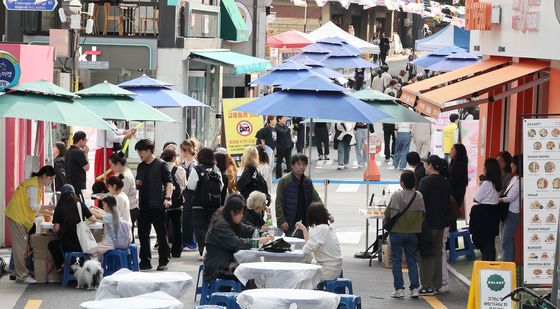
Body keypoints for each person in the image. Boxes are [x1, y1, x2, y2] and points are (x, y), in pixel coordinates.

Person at [203, 194, 273, 281]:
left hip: (226, 262)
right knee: (252, 273)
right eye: (240, 213)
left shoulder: (230, 220)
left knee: (255, 271)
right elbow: (236, 243)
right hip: (218, 267)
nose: (242, 215)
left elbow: (247, 229)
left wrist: (261, 233)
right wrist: (257, 242)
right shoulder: (221, 226)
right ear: (232, 212)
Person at [5, 166, 56, 283]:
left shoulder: (35, 184)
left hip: (19, 217)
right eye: (50, 178)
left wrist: (50, 211)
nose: (51, 181)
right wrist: (48, 207)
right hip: (17, 217)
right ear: (44, 176)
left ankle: (20, 272)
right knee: (20, 248)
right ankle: (21, 275)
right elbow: (33, 206)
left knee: (21, 248)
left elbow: (35, 208)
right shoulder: (33, 186)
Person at [384, 171, 425, 298]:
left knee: (396, 260)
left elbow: (387, 213)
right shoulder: (418, 196)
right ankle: (414, 289)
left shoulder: (396, 195)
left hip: (397, 232)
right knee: (412, 260)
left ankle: (399, 289)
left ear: (402, 182)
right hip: (413, 232)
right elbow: (423, 215)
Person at [134, 139, 173, 271]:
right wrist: (137, 184)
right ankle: (145, 261)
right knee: (143, 234)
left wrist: (168, 198)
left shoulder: (161, 165)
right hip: (143, 205)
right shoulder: (140, 166)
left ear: (149, 151)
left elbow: (169, 183)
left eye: (141, 151)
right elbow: (138, 183)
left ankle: (163, 261)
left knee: (161, 234)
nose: (139, 154)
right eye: (138, 152)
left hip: (158, 204)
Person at [417, 156, 451, 296]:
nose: (425, 167)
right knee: (438, 253)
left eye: (426, 164)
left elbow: (421, 202)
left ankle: (427, 285)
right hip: (441, 223)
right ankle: (437, 284)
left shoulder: (425, 182)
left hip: (428, 223)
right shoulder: (445, 182)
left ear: (430, 166)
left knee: (425, 254)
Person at [187, 147, 224, 260]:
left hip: (199, 204)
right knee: (211, 228)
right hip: (214, 204)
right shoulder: (216, 169)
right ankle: (212, 251)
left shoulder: (197, 169)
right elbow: (221, 186)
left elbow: (190, 186)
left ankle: (202, 252)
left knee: (200, 228)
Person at [48, 184, 95, 271]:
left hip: (66, 245)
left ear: (61, 196)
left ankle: (62, 266)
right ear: (74, 194)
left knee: (52, 245)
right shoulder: (80, 204)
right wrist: (83, 222)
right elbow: (93, 219)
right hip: (82, 244)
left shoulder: (59, 207)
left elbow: (57, 228)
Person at [276, 154, 322, 238]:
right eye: (298, 164)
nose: (301, 167)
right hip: (289, 222)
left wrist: (326, 214)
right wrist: (281, 220)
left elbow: (316, 198)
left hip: (304, 221)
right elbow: (279, 202)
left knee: (303, 245)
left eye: (304, 164)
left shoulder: (307, 181)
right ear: (292, 166)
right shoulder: (284, 181)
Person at [295, 203, 343, 281]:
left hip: (327, 270)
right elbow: (310, 245)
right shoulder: (327, 228)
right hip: (334, 269)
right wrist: (304, 229)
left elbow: (306, 250)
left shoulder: (320, 229)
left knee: (299, 278)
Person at [470, 158, 501, 261]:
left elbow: (475, 198)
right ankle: (491, 264)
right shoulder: (496, 183)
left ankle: (487, 267)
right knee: (490, 244)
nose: (483, 168)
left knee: (484, 245)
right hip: (494, 215)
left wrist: (481, 186)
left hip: (484, 217)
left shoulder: (487, 183)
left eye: (484, 166)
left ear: (488, 169)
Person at [161, 149, 187, 258]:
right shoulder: (179, 169)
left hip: (163, 202)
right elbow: (184, 185)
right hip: (177, 203)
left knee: (163, 228)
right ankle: (176, 251)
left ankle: (165, 250)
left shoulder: (160, 167)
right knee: (177, 227)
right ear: (173, 158)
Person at [109, 153, 139, 241]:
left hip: (130, 208)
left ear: (118, 164)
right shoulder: (125, 172)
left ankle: (128, 253)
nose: (111, 168)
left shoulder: (125, 177)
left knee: (126, 235)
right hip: (131, 207)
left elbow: (119, 194)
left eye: (111, 165)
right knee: (128, 234)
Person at [500, 154, 522, 262]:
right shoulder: (515, 177)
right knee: (508, 239)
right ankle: (510, 263)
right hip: (508, 212)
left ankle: (507, 264)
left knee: (506, 240)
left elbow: (510, 197)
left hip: (513, 213)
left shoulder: (520, 180)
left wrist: (498, 199)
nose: (511, 166)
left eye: (513, 164)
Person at [180, 139, 198, 251]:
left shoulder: (193, 164)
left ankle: (191, 243)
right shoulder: (188, 163)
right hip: (187, 195)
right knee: (186, 218)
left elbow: (192, 183)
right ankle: (188, 242)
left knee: (189, 219)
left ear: (185, 150)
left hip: (190, 195)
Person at [448, 144, 469, 232]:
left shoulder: (459, 165)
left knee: (451, 220)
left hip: (454, 196)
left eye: (452, 149)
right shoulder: (454, 162)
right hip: (454, 195)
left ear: (458, 152)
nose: (450, 150)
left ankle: (452, 243)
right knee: (452, 220)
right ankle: (453, 242)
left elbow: (452, 181)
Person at [65, 131, 90, 200]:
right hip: (77, 184)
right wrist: (86, 154)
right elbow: (87, 167)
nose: (86, 142)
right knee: (78, 204)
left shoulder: (67, 151)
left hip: (69, 182)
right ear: (81, 140)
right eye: (85, 140)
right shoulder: (78, 152)